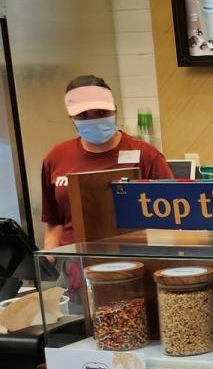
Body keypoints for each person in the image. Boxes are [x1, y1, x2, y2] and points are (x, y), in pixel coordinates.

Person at [41, 75, 173, 247]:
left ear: (115, 110)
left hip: (133, 257)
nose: (94, 120)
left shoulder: (146, 156)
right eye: (83, 115)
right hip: (73, 259)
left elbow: (171, 218)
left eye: (102, 113)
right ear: (71, 117)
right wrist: (50, 258)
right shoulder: (56, 157)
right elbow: (53, 223)